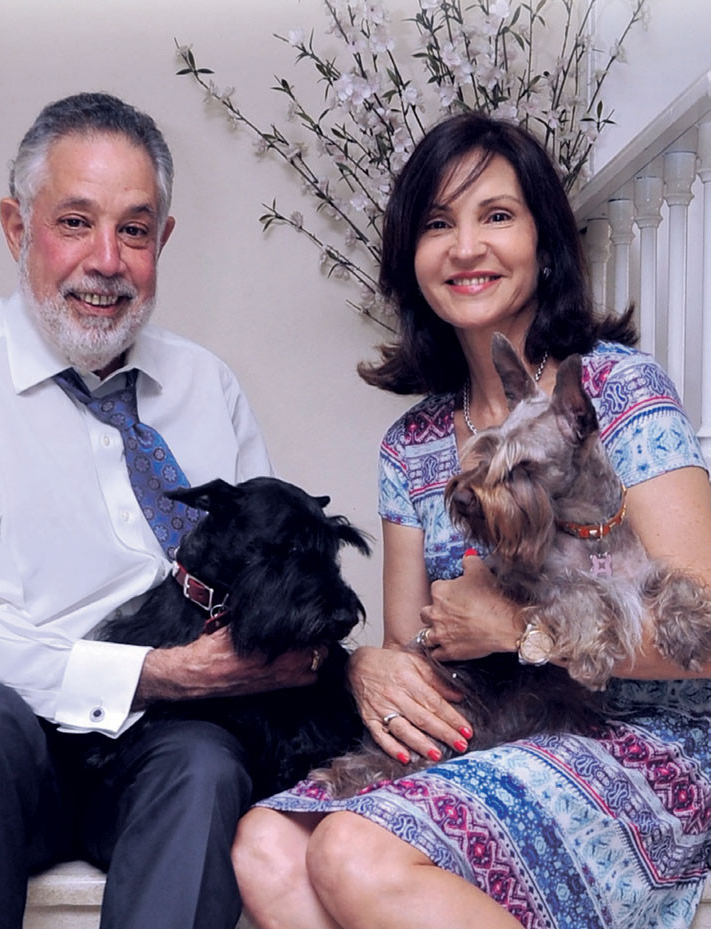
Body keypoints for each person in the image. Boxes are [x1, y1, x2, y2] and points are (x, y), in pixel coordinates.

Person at [232, 113, 711, 929]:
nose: (465, 247)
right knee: (266, 844)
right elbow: (411, 651)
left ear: (544, 240)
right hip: (501, 728)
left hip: (646, 742)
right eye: (437, 224)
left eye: (496, 215)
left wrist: (517, 628)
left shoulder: (618, 392)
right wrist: (366, 666)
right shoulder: (411, 445)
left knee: (353, 850)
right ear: (410, 259)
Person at [0, 92, 322, 929]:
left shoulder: (207, 385)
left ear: (162, 241)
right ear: (16, 228)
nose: (106, 261)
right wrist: (156, 671)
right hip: (5, 750)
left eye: (134, 231)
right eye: (75, 223)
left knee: (207, 760)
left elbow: (275, 578)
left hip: (154, 750)